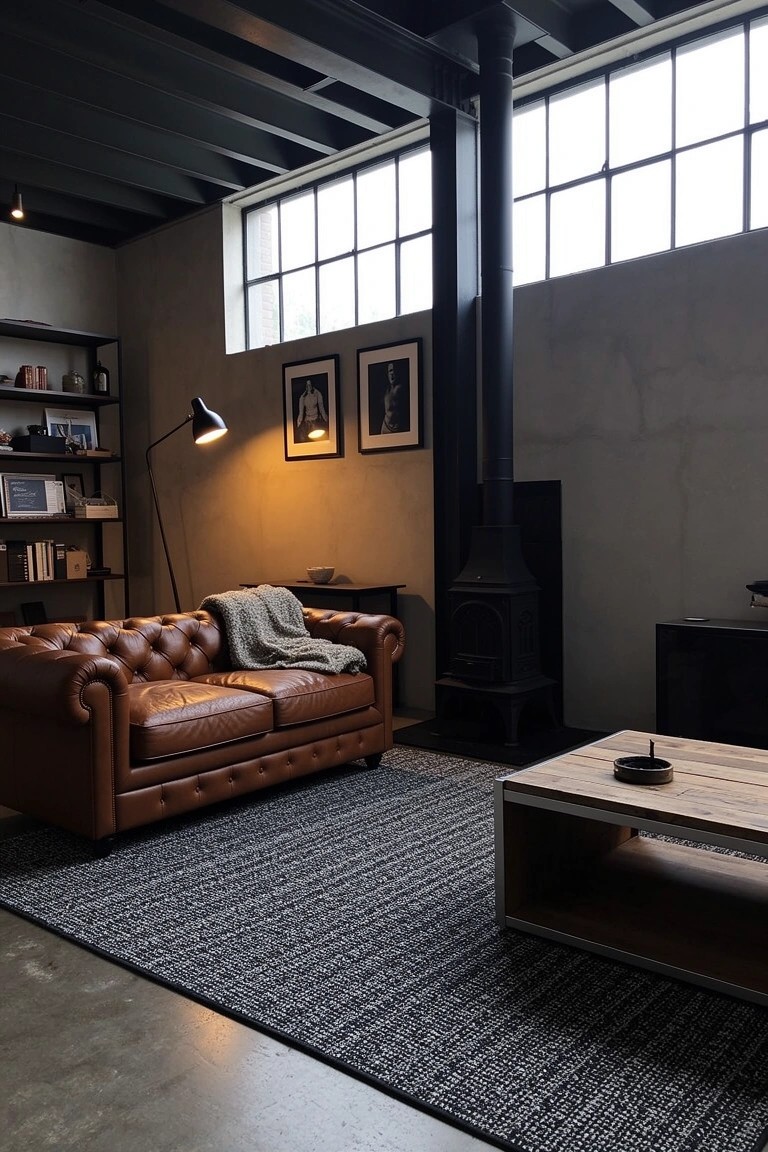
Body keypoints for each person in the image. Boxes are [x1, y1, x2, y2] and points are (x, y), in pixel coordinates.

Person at [381, 361, 408, 434]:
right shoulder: (386, 390)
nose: (392, 373)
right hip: (385, 426)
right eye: (390, 371)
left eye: (394, 370)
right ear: (387, 374)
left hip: (397, 428)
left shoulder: (401, 389)